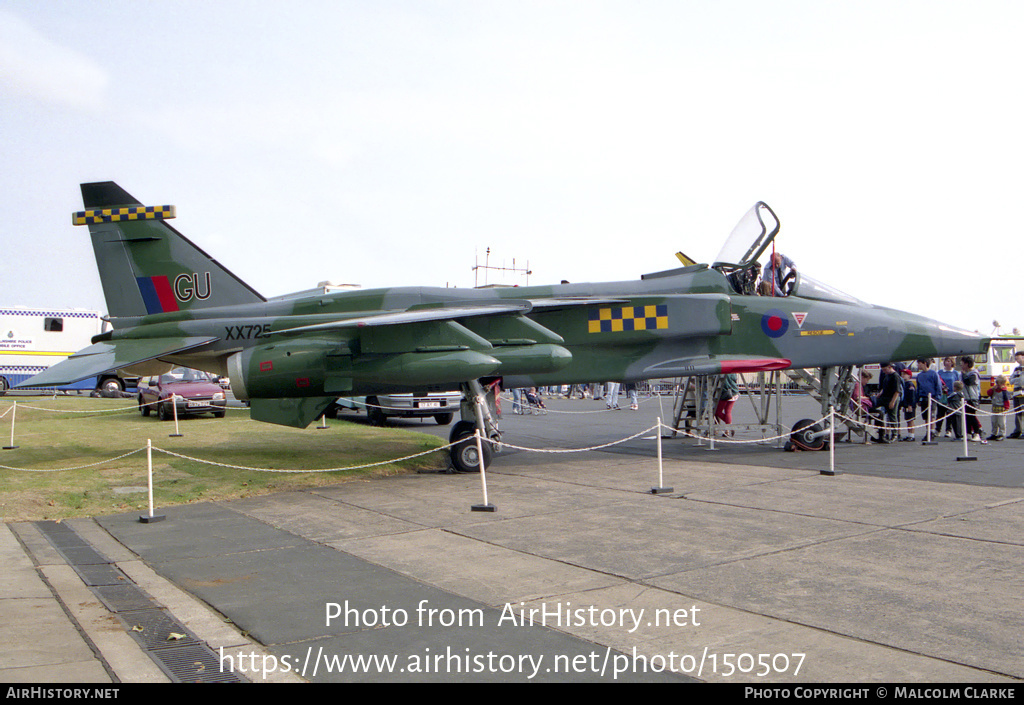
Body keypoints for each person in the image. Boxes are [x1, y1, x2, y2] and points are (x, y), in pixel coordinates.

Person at [871, 362, 901, 443]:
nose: (884, 371)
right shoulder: (886, 375)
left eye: (885, 369)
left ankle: (895, 434)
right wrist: (879, 394)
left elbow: (897, 391)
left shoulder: (895, 376)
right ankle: (880, 431)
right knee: (873, 405)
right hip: (884, 397)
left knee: (892, 416)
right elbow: (884, 387)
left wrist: (892, 402)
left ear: (890, 367)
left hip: (892, 398)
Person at [915, 357, 943, 439]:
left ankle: (932, 431)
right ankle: (928, 431)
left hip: (932, 397)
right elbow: (918, 388)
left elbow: (938, 386)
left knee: (932, 415)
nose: (918, 365)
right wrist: (918, 399)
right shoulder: (919, 375)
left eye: (919, 363)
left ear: (924, 363)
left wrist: (937, 397)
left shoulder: (933, 373)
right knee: (926, 416)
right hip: (923, 398)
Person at [960, 356, 985, 443]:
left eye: (962, 363)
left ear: (967, 364)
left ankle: (977, 433)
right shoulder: (963, 373)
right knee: (966, 416)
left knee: (972, 415)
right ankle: (968, 433)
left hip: (973, 397)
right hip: (965, 397)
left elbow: (969, 382)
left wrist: (963, 374)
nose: (961, 365)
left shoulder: (974, 373)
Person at [936, 356, 962, 438]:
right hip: (942, 395)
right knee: (940, 413)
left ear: (952, 363)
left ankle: (948, 430)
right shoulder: (940, 372)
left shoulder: (955, 373)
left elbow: (958, 384)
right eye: (946, 361)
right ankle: (938, 429)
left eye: (949, 361)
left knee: (950, 414)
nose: (947, 362)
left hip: (952, 396)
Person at [987, 376, 1012, 441]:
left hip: (1001, 408)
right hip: (994, 407)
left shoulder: (1004, 392)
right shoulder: (994, 390)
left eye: (999, 384)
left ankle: (1001, 434)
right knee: (994, 421)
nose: (997, 385)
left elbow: (1006, 400)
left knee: (1001, 422)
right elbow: (988, 393)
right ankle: (994, 433)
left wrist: (1006, 408)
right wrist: (992, 389)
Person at [899, 368, 917, 441]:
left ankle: (912, 435)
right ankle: (909, 434)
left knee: (911, 420)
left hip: (910, 405)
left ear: (909, 376)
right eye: (902, 374)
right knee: (907, 420)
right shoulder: (904, 384)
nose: (903, 375)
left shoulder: (910, 384)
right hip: (906, 405)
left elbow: (911, 396)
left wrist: (910, 405)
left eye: (905, 374)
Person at [1009, 351, 1024, 438]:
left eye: (1017, 358)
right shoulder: (1016, 369)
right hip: (1016, 393)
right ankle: (1018, 430)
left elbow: (1022, 381)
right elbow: (1011, 380)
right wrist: (1017, 379)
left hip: (1023, 393)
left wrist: (1017, 379)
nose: (1016, 360)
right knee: (1017, 413)